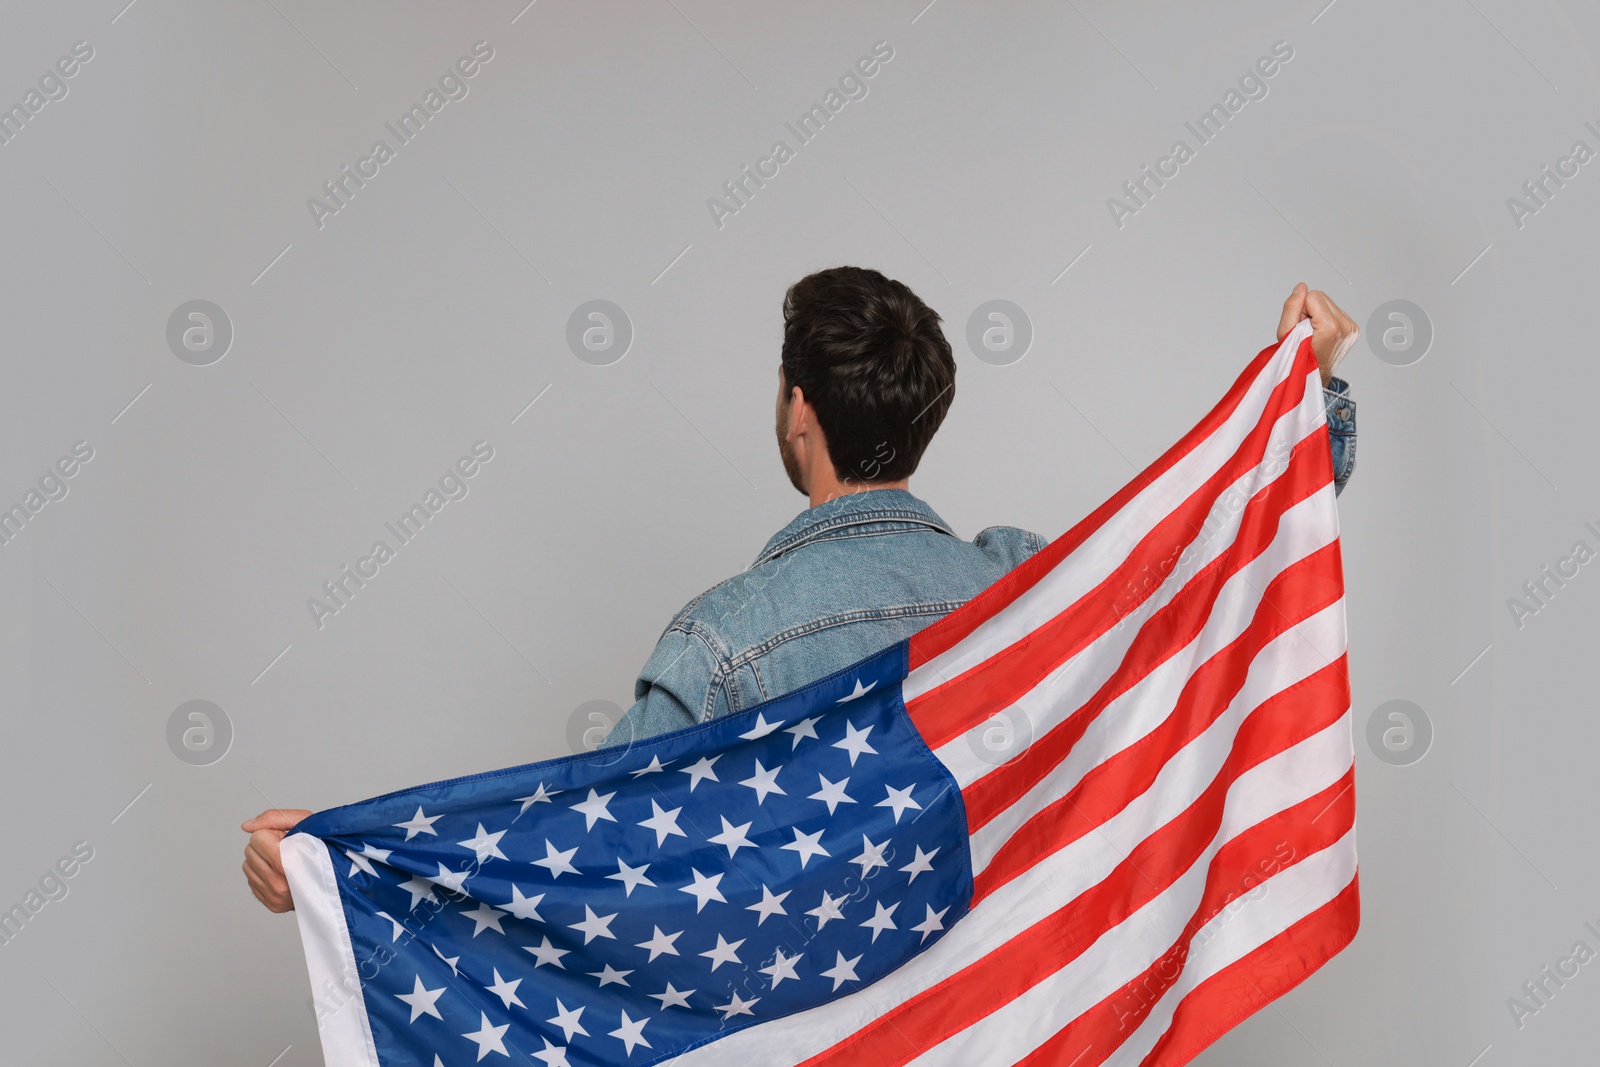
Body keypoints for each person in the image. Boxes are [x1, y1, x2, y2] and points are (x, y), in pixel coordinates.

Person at [241, 269, 1359, 913]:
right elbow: (1216, 570)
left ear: (797, 411)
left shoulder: (724, 639)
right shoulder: (1027, 592)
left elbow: (588, 861)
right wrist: (1310, 399)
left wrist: (346, 870)